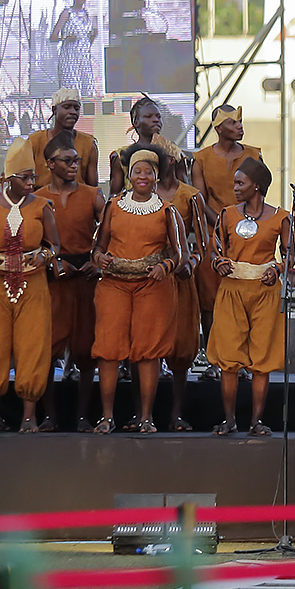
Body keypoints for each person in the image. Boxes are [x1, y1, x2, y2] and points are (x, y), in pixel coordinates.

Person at [0, 138, 61, 433]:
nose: (31, 183)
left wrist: (43, 255)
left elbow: (55, 245)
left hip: (33, 286)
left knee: (32, 346)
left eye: (33, 177)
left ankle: (29, 416)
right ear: (8, 179)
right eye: (25, 178)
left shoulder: (42, 206)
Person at [92, 147, 185, 435]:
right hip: (114, 284)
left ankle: (146, 417)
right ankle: (106, 417)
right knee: (108, 349)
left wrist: (166, 266)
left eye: (148, 171)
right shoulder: (114, 206)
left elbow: (181, 253)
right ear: (129, 176)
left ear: (156, 177)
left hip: (152, 286)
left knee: (148, 351)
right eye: (137, 171)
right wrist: (100, 259)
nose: (142, 176)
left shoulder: (167, 210)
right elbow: (97, 247)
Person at [207, 157, 292, 435]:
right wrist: (218, 262)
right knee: (229, 358)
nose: (235, 187)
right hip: (232, 289)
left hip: (265, 291)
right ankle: (229, 420)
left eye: (240, 183)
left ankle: (256, 421)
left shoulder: (281, 217)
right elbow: (215, 249)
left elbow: (289, 256)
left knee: (261, 358)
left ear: (257, 186)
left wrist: (277, 269)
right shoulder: (227, 214)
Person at [37, 138, 104, 430]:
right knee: (48, 348)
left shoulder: (93, 195)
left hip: (85, 277)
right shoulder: (37, 198)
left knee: (87, 348)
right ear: (50, 163)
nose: (74, 166)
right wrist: (52, 263)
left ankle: (82, 416)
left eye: (76, 160)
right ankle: (49, 415)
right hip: (53, 279)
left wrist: (98, 260)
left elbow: (109, 233)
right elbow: (32, 237)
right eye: (67, 161)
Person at [190, 102, 265, 341]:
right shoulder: (201, 158)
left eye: (240, 121)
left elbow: (260, 195)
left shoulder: (254, 155)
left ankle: (242, 357)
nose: (240, 126)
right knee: (210, 299)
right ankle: (214, 358)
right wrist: (225, 225)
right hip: (213, 236)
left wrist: (242, 225)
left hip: (249, 234)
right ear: (219, 127)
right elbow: (200, 200)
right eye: (233, 122)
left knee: (246, 296)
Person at [155, 139, 206, 431]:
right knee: (147, 347)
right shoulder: (139, 196)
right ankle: (144, 415)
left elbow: (202, 243)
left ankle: (175, 414)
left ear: (170, 163)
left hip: (181, 278)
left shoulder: (191, 196)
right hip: (149, 279)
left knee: (181, 349)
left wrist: (191, 264)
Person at [29, 89, 100, 190]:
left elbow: (93, 187)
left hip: (77, 201)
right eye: (67, 107)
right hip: (41, 202)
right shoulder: (34, 141)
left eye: (76, 108)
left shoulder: (88, 144)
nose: (73, 112)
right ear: (54, 110)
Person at [48, 0, 98, 94]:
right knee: (72, 93)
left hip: (84, 59)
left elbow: (88, 39)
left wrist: (93, 36)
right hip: (70, 60)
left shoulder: (87, 14)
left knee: (88, 91)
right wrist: (65, 38)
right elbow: (53, 37)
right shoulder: (67, 13)